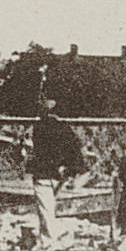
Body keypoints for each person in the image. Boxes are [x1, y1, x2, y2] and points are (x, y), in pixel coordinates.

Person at [28, 98, 85, 242]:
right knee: (49, 208)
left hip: (43, 173)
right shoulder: (65, 128)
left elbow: (36, 151)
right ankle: (47, 237)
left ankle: (48, 241)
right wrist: (69, 169)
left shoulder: (39, 127)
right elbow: (76, 149)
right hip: (58, 174)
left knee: (46, 210)